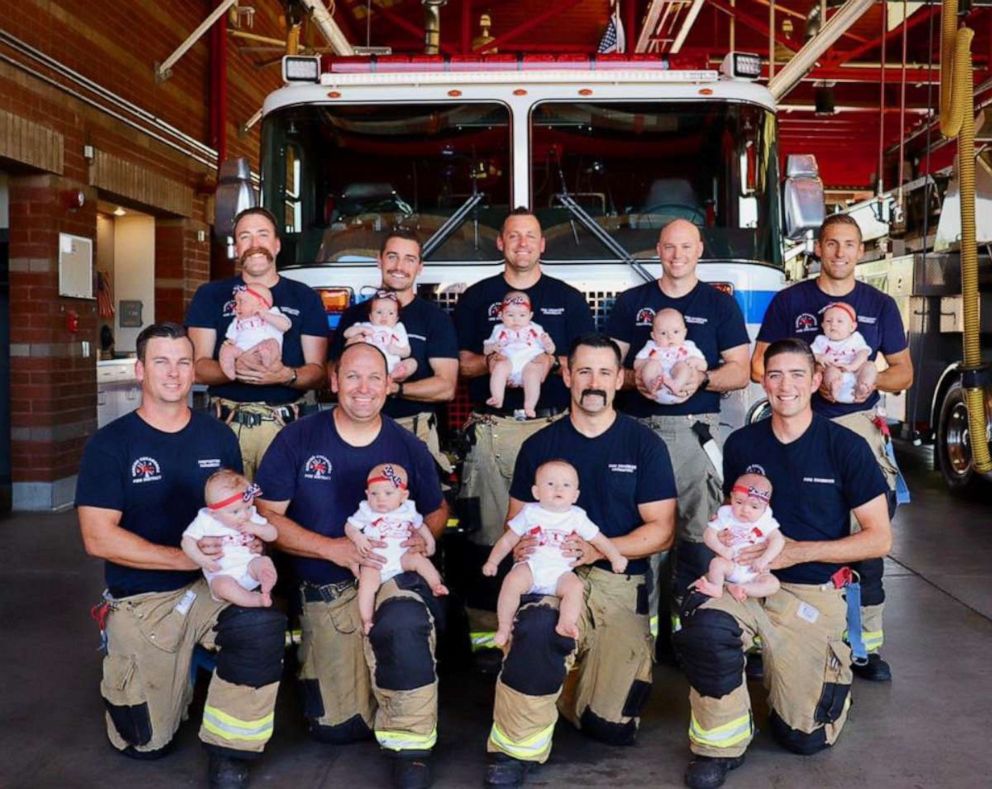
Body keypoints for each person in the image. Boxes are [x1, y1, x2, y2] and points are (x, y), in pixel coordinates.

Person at [675, 338, 891, 789]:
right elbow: (736, 518)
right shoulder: (741, 445)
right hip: (745, 581)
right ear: (763, 382)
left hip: (810, 590)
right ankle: (722, 741)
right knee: (706, 625)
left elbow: (879, 539)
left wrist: (800, 550)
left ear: (816, 381)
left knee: (802, 738)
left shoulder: (846, 447)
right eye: (774, 375)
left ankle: (819, 681)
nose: (785, 385)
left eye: (797, 375)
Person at [76, 322, 285, 788]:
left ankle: (231, 750)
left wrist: (252, 541)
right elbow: (98, 538)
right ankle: (156, 671)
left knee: (262, 624)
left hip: (214, 586)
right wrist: (184, 558)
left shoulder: (218, 438)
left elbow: (240, 508)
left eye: (183, 362)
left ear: (195, 370)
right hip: (144, 599)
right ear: (139, 370)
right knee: (145, 744)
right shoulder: (110, 445)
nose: (174, 373)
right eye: (161, 362)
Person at [484, 334, 676, 787]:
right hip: (551, 576)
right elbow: (515, 523)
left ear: (620, 379)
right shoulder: (539, 445)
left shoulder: (643, 445)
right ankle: (514, 747)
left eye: (605, 372)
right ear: (566, 375)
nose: (594, 382)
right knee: (534, 628)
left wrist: (597, 549)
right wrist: (523, 551)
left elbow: (662, 530)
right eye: (583, 371)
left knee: (609, 728)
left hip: (614, 580)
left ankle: (566, 683)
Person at [255, 342, 447, 789]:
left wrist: (425, 536)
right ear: (334, 382)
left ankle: (412, 747)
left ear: (388, 385)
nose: (364, 388)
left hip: (394, 578)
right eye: (353, 377)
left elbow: (436, 509)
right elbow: (265, 516)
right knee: (338, 729)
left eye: (374, 378)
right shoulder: (299, 438)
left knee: (402, 623)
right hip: (326, 590)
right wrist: (332, 549)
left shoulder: (407, 444)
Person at [751, 213, 913, 681]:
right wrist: (802, 383)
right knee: (782, 527)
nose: (840, 252)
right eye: (831, 243)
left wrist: (868, 380)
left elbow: (904, 372)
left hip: (859, 427)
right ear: (817, 249)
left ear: (861, 251)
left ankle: (864, 645)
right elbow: (760, 364)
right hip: (798, 429)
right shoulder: (791, 301)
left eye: (849, 244)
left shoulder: (879, 305)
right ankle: (771, 633)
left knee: (866, 538)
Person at [453, 209, 595, 637]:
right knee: (489, 533)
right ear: (501, 244)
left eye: (529, 236)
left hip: (552, 429)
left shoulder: (568, 298)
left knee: (556, 530)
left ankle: (555, 629)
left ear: (542, 245)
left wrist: (549, 361)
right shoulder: (477, 298)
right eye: (512, 236)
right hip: (491, 428)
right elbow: (461, 363)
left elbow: (581, 361)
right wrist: (491, 361)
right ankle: (488, 634)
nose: (521, 244)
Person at [606, 219, 750, 621]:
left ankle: (690, 626)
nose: (677, 255)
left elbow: (741, 370)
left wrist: (702, 377)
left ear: (699, 250)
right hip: (638, 430)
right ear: (658, 249)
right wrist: (638, 380)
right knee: (642, 529)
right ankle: (641, 631)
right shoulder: (631, 302)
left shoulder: (719, 305)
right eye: (669, 247)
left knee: (697, 534)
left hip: (695, 430)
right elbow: (609, 366)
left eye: (686, 247)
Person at [187, 206, 328, 480]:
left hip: (285, 429)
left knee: (280, 515)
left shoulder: (304, 297)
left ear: (276, 245)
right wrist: (236, 368)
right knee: (226, 515)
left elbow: (319, 373)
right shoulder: (210, 295)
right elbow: (197, 368)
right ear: (237, 249)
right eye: (245, 237)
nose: (254, 245)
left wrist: (284, 375)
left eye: (263, 235)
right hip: (225, 427)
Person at [328, 229, 458, 476]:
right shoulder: (355, 316)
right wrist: (350, 352)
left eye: (410, 259)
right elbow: (331, 376)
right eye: (392, 256)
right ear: (379, 260)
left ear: (420, 267)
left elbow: (446, 387)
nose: (400, 266)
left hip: (414, 428)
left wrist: (396, 388)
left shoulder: (435, 319)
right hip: (355, 428)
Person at [482, 459, 628, 645]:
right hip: (531, 568)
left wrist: (615, 557)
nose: (558, 489)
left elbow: (599, 539)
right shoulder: (530, 512)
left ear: (575, 495)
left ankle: (565, 623)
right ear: (536, 492)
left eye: (566, 485)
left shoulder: (577, 516)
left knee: (575, 587)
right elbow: (508, 540)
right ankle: (504, 627)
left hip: (560, 574)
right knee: (511, 581)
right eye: (550, 484)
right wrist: (493, 561)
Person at [346, 462, 448, 634]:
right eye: (374, 493)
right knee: (367, 585)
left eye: (388, 493)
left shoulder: (408, 510)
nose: (380, 499)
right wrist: (358, 538)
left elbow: (420, 526)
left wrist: (430, 543)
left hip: (402, 555)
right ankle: (367, 619)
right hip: (376, 559)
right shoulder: (367, 511)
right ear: (366, 494)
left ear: (403, 495)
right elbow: (350, 526)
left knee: (419, 560)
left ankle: (436, 584)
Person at [181, 469, 279, 608]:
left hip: (250, 568)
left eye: (248, 507)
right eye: (235, 512)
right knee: (223, 586)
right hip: (222, 573)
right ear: (214, 513)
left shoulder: (251, 517)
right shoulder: (206, 520)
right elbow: (187, 541)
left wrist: (257, 528)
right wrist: (201, 559)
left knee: (264, 561)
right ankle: (256, 600)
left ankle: (266, 580)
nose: (244, 515)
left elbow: (273, 534)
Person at [693, 473, 783, 602]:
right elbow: (709, 533)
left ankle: (742, 588)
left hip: (756, 571)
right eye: (739, 502)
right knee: (716, 563)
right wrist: (721, 549)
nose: (745, 509)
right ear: (732, 497)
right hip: (731, 565)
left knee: (773, 584)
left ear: (765, 507)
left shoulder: (765, 521)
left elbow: (778, 540)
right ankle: (716, 587)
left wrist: (765, 559)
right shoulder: (726, 515)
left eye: (754, 506)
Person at [482, 291, 556, 417]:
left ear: (530, 315)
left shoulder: (536, 329)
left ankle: (529, 405)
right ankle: (497, 398)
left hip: (530, 360)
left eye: (522, 315)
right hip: (508, 360)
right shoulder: (498, 330)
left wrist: (548, 344)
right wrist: (493, 347)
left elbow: (550, 351)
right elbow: (486, 350)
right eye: (510, 315)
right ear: (501, 315)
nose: (516, 320)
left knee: (533, 374)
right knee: (499, 368)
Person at [634, 307, 708, 405]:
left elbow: (704, 366)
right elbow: (636, 364)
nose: (670, 337)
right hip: (656, 390)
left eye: (676, 332)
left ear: (684, 333)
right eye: (663, 333)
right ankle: (651, 385)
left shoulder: (688, 346)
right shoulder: (651, 347)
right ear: (654, 336)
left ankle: (675, 385)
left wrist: (695, 361)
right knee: (652, 365)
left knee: (682, 366)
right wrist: (648, 361)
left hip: (680, 390)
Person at [218, 283, 292, 380]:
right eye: (235, 303)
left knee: (272, 343)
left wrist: (265, 316)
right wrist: (230, 342)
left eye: (241, 302)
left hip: (265, 350)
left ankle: (266, 365)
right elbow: (231, 337)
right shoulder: (237, 321)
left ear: (260, 303)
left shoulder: (272, 313)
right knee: (225, 349)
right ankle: (230, 373)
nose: (236, 307)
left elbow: (285, 326)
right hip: (242, 354)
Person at [342, 291, 418, 380]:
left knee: (413, 362)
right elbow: (346, 334)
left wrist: (397, 350)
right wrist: (361, 329)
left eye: (390, 313)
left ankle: (394, 375)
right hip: (367, 366)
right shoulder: (366, 326)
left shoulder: (397, 330)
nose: (384, 316)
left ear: (397, 318)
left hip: (391, 367)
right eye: (379, 312)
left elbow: (407, 352)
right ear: (370, 316)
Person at [810, 302, 876, 404]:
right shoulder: (820, 340)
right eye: (828, 321)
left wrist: (853, 366)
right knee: (830, 370)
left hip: (856, 375)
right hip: (836, 373)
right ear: (822, 326)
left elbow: (863, 353)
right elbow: (809, 354)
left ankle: (863, 387)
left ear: (852, 327)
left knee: (870, 366)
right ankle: (834, 386)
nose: (833, 324)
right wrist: (819, 357)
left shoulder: (856, 338)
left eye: (840, 321)